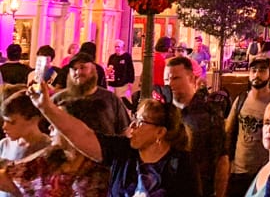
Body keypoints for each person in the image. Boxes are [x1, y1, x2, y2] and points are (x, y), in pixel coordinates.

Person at [28, 83, 200, 196]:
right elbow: (82, 134)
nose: (132, 127)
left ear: (160, 132)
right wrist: (46, 107)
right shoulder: (122, 151)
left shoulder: (181, 164)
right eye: (134, 119)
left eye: (140, 122)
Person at [0, 97, 109, 197]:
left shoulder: (101, 174)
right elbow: (8, 179)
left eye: (57, 122)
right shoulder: (46, 161)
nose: (50, 126)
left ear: (78, 127)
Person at [168, 56, 229, 197]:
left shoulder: (209, 113)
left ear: (190, 78)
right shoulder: (164, 113)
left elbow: (222, 158)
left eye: (175, 78)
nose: (170, 84)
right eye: (167, 79)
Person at [226, 55, 270, 197]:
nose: (257, 74)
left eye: (262, 70)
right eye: (253, 70)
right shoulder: (241, 100)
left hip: (265, 172)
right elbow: (229, 131)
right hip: (239, 171)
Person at [53, 51, 130, 136]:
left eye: (82, 67)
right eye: (74, 69)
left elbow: (124, 131)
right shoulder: (59, 99)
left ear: (93, 70)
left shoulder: (111, 99)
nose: (78, 72)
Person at [0, 90, 51, 162]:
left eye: (12, 122)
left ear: (33, 120)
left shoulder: (48, 148)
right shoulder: (4, 145)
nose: (4, 127)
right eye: (4, 121)